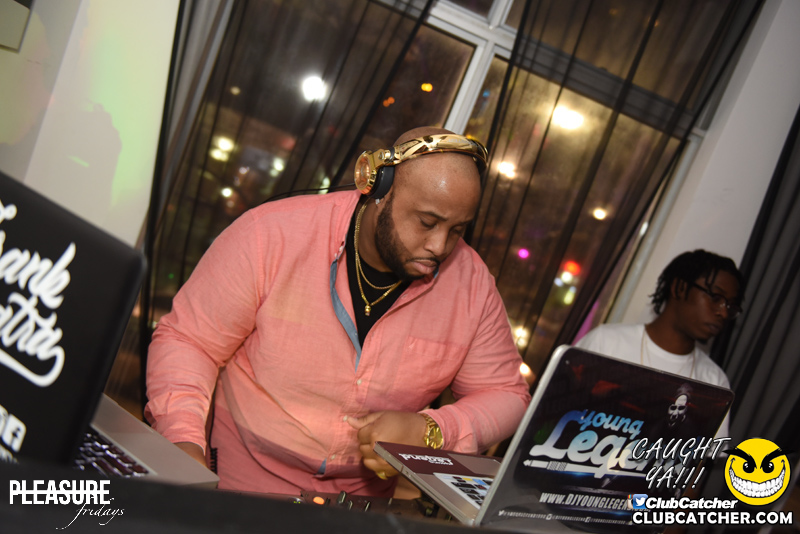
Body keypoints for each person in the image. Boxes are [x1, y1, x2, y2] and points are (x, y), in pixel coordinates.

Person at [144, 126, 531, 497]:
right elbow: (189, 341)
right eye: (427, 222)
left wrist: (433, 430)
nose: (440, 246)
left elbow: (507, 395)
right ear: (377, 189)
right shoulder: (270, 235)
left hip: (360, 505)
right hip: (237, 480)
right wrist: (182, 442)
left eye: (458, 230)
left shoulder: (472, 287)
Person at [575, 249, 744, 438]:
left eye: (730, 306)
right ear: (679, 287)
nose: (723, 313)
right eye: (716, 298)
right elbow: (558, 412)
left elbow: (705, 453)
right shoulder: (606, 342)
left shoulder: (714, 381)